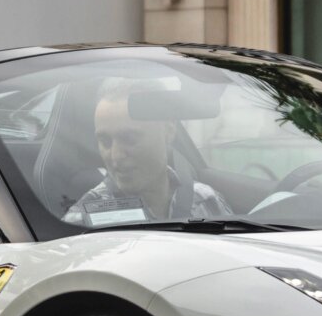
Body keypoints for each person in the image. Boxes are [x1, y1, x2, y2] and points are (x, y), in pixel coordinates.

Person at [63, 79, 231, 225]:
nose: (115, 156)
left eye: (129, 139)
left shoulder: (207, 200)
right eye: (105, 141)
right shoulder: (82, 220)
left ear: (169, 131)